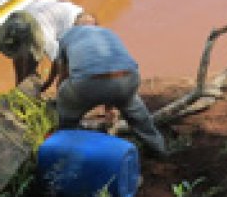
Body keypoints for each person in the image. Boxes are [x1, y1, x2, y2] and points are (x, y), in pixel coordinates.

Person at [50, 20, 166, 157]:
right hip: (128, 78)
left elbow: (62, 73)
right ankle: (159, 149)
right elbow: (109, 65)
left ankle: (66, 148)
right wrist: (110, 106)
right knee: (140, 118)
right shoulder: (108, 32)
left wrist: (62, 101)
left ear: (76, 25)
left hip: (89, 84)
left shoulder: (68, 35)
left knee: (66, 100)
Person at [0, 1, 87, 92]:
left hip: (74, 20)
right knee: (22, 61)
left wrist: (47, 83)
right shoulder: (16, 25)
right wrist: (19, 84)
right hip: (43, 16)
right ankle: (23, 86)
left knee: (66, 74)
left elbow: (60, 63)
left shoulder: (47, 40)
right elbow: (18, 57)